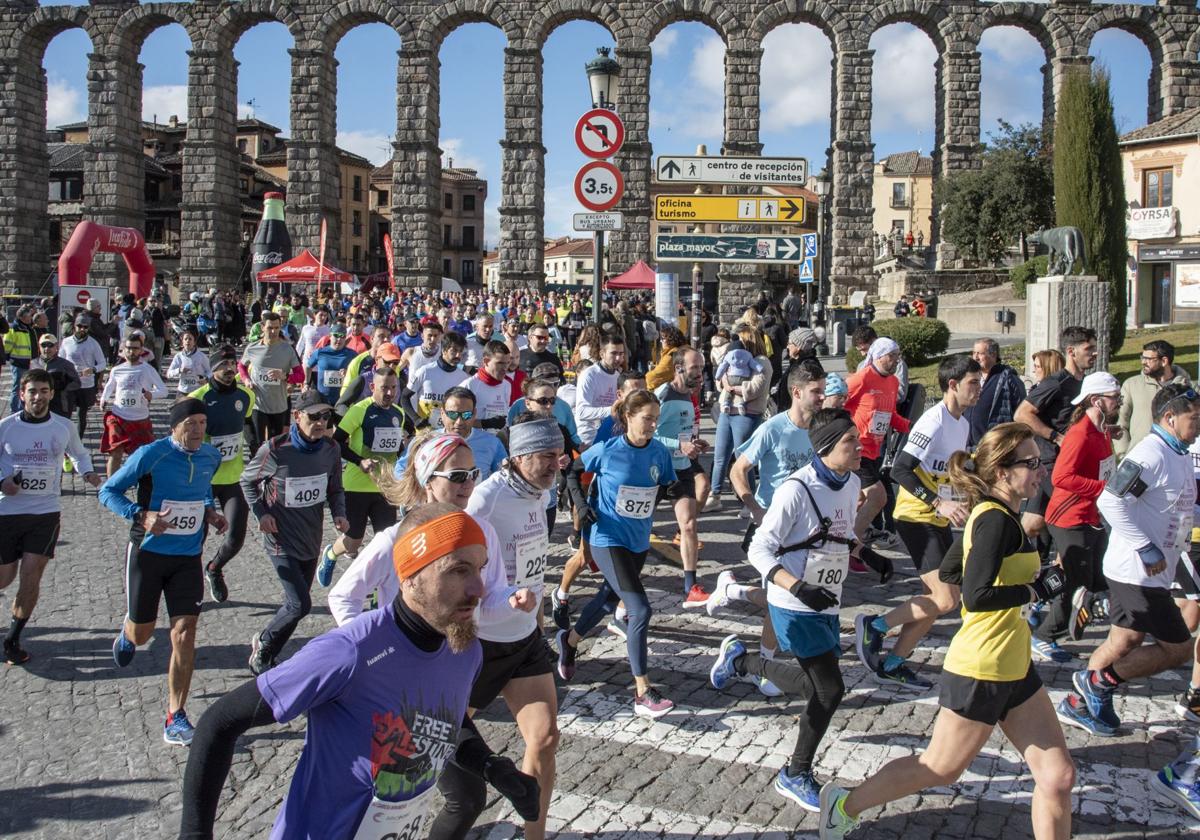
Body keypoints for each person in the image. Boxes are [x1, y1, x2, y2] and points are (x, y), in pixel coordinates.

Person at [178, 503, 542, 839]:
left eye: (480, 568)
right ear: (410, 576)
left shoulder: (465, 651)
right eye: (459, 570)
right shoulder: (350, 651)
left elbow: (443, 720)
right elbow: (218, 722)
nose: (479, 587)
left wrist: (492, 766)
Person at [818, 423, 1073, 840]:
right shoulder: (994, 521)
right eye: (1031, 463)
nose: (1040, 470)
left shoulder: (996, 513)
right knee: (940, 767)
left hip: (1015, 665)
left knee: (1058, 776)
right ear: (1003, 472)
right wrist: (1038, 587)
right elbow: (975, 595)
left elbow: (954, 570)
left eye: (1039, 461)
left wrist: (1027, 578)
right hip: (982, 668)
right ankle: (843, 805)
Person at [710, 408, 879, 811]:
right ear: (824, 449)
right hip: (793, 601)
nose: (859, 447)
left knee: (814, 689)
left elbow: (835, 534)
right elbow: (759, 549)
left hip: (827, 597)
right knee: (829, 690)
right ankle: (795, 772)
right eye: (849, 442)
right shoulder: (795, 490)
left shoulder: (851, 480)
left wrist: (866, 554)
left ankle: (742, 662)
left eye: (857, 439)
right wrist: (798, 587)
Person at [428, 417, 563, 840]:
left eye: (558, 457)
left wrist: (535, 618)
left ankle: (532, 836)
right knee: (435, 732)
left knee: (545, 738)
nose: (553, 466)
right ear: (518, 458)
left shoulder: (539, 493)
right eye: (544, 457)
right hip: (480, 643)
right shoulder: (485, 500)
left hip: (523, 638)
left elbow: (532, 564)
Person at [1057, 384, 1200, 737]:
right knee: (1179, 648)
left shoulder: (1179, 451)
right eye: (1193, 418)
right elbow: (1110, 501)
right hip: (1136, 570)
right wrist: (1145, 546)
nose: (1199, 424)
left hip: (1155, 570)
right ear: (1169, 418)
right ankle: (1099, 682)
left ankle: (1081, 701)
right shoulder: (1150, 453)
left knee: (1124, 642)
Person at [101, 399, 228, 746]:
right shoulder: (150, 454)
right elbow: (107, 491)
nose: (198, 430)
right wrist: (141, 516)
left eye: (203, 422)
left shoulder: (210, 456)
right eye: (190, 423)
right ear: (174, 426)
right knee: (143, 634)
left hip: (187, 557)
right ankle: (128, 633)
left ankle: (176, 715)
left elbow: (201, 491)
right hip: (148, 555)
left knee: (184, 633)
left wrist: (210, 513)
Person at [854, 355, 982, 690]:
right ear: (952, 385)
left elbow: (952, 472)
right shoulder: (933, 421)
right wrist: (939, 500)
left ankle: (895, 662)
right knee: (946, 599)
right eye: (973, 383)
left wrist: (967, 493)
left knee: (936, 599)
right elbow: (900, 470)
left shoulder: (964, 424)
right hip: (914, 517)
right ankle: (875, 626)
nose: (979, 389)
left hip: (939, 518)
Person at [558, 389, 678, 717]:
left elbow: (668, 485)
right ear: (628, 417)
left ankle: (568, 642)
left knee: (609, 598)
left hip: (637, 541)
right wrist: (581, 505)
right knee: (639, 609)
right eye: (647, 419)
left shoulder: (659, 453)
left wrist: (676, 496)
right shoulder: (608, 450)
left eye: (656, 419)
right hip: (605, 537)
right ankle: (643, 692)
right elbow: (571, 471)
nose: (653, 425)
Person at [712, 363, 828, 697]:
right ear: (796, 392)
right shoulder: (773, 429)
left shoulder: (822, 428)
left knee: (788, 599)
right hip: (773, 528)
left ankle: (732, 593)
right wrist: (756, 509)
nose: (822, 397)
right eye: (816, 391)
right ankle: (762, 666)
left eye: (823, 390)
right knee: (780, 600)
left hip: (806, 530)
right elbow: (739, 470)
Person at [241, 390, 348, 674]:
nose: (321, 422)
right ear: (297, 416)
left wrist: (339, 513)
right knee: (299, 604)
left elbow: (335, 488)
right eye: (314, 416)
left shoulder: (330, 449)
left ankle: (267, 648)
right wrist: (262, 513)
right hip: (280, 539)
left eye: (326, 416)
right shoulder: (276, 449)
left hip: (310, 538)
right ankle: (264, 647)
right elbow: (247, 481)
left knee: (296, 605)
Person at [0, 370, 100, 665]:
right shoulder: (6, 427)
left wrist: (89, 473)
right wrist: (3, 482)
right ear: (22, 395)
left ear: (51, 394)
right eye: (32, 391)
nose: (38, 397)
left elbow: (79, 454)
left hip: (45, 512)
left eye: (44, 391)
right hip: (7, 511)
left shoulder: (63, 426)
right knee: (4, 578)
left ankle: (13, 638)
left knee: (32, 574)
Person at [1032, 371, 1119, 661]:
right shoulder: (1080, 433)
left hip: (1091, 514)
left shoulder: (1103, 429)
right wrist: (1104, 488)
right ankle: (1044, 635)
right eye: (1114, 398)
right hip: (1069, 516)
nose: (1118, 402)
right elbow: (1061, 477)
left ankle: (1035, 601)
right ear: (1096, 400)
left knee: (1097, 580)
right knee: (1077, 585)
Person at [318, 366, 412, 587]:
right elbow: (336, 442)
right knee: (353, 541)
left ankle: (380, 590)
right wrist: (359, 460)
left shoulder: (398, 413)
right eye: (383, 388)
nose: (389, 393)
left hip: (385, 487)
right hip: (356, 486)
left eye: (393, 388)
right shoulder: (360, 410)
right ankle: (331, 554)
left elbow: (398, 446)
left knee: (387, 543)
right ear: (372, 388)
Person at [1014, 326, 1097, 554]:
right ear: (1071, 351)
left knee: (1032, 524)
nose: (1094, 353)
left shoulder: (1086, 383)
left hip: (1068, 463)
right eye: (1088, 349)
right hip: (1052, 463)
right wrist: (1056, 437)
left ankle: (1025, 563)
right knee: (1068, 520)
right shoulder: (1056, 382)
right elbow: (1022, 414)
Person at [189, 345, 255, 604]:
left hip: (232, 479)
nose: (229, 369)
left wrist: (257, 449)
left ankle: (214, 568)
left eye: (232, 363)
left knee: (236, 538)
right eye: (222, 364)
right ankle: (191, 590)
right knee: (196, 540)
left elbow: (248, 425)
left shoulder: (245, 395)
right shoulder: (198, 398)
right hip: (201, 482)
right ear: (212, 368)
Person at [653, 346, 712, 605]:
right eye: (695, 368)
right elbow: (648, 435)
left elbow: (682, 432)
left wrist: (694, 443)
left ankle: (691, 585)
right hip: (656, 470)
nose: (700, 373)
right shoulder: (663, 395)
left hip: (682, 468)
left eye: (701, 367)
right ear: (679, 368)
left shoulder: (690, 394)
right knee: (637, 526)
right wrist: (679, 445)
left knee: (688, 524)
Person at [845, 337, 910, 548]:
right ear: (878, 356)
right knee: (878, 497)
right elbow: (836, 401)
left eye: (897, 357)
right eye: (891, 356)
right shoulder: (862, 378)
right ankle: (850, 543)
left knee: (859, 501)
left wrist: (912, 427)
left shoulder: (893, 382)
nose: (895, 361)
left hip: (876, 449)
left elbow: (889, 413)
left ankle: (840, 533)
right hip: (857, 448)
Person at [710, 327, 773, 506]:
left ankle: (749, 500)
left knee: (743, 458)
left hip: (748, 414)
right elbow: (720, 379)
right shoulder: (734, 358)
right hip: (727, 411)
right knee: (719, 455)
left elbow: (754, 389)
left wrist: (732, 387)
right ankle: (715, 495)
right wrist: (725, 383)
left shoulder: (761, 362)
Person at [98, 331, 167, 476]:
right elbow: (110, 386)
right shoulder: (117, 370)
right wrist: (104, 399)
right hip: (118, 416)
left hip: (140, 418)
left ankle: (138, 483)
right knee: (115, 452)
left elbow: (164, 391)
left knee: (139, 456)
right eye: (128, 348)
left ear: (142, 351)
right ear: (123, 350)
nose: (131, 351)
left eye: (135, 348)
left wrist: (151, 395)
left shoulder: (148, 370)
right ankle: (111, 488)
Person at [1116, 339, 1191, 457]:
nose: (1143, 362)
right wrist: (1124, 453)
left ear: (1164, 361)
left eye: (1148, 359)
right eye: (1142, 357)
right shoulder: (1131, 385)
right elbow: (1120, 423)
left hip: (1177, 458)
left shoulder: (1189, 388)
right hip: (1139, 459)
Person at [239, 311, 303, 449]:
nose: (273, 331)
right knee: (257, 445)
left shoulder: (288, 349)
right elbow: (241, 366)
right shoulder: (252, 348)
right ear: (262, 327)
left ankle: (272, 469)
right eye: (270, 328)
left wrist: (285, 377)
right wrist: (246, 380)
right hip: (258, 404)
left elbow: (301, 376)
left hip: (278, 405)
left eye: (276, 327)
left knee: (275, 446)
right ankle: (256, 469)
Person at [965, 338, 1026, 447]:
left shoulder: (1009, 379)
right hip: (969, 446)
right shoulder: (971, 377)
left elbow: (1020, 413)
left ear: (993, 355)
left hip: (994, 446)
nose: (975, 357)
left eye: (980, 353)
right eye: (974, 353)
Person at [58, 314, 107, 437]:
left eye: (85, 327)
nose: (82, 329)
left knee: (82, 415)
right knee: (66, 414)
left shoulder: (93, 343)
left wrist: (92, 369)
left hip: (86, 384)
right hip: (70, 383)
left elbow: (102, 363)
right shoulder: (66, 342)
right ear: (74, 326)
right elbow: (60, 360)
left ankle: (78, 440)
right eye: (79, 326)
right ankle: (65, 440)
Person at [406, 330, 468, 427]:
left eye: (460, 351)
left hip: (448, 434)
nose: (458, 356)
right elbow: (404, 397)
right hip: (425, 433)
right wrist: (416, 419)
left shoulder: (464, 378)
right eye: (454, 351)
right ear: (444, 350)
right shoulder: (425, 371)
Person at [573, 333, 625, 446]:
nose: (618, 358)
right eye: (614, 353)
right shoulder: (589, 375)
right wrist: (612, 410)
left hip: (610, 434)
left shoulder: (618, 376)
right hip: (589, 437)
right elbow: (582, 412)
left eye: (621, 354)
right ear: (602, 354)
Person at [30, 332, 80, 419]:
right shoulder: (33, 363)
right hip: (39, 403)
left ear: (56, 347)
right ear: (39, 346)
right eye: (43, 345)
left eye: (50, 345)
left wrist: (63, 387)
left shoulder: (66, 364)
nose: (47, 348)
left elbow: (77, 383)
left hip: (60, 404)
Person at [466, 340, 513, 431]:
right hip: (474, 442)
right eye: (500, 363)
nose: (505, 368)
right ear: (486, 361)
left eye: (507, 363)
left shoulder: (507, 385)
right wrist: (485, 423)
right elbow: (458, 421)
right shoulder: (470, 385)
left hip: (497, 442)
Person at [4, 304, 38, 414]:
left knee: (26, 387)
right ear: (22, 317)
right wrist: (9, 358)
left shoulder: (29, 327)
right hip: (19, 362)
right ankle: (14, 411)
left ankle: (23, 409)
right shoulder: (14, 328)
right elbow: (7, 346)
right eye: (29, 316)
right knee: (17, 388)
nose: (31, 318)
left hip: (29, 362)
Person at [165, 330, 212, 396]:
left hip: (198, 391)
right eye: (185, 339)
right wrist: (179, 370)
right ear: (182, 342)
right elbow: (168, 374)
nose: (187, 341)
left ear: (194, 342)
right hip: (182, 391)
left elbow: (211, 371)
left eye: (190, 339)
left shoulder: (201, 356)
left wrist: (206, 379)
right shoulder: (178, 356)